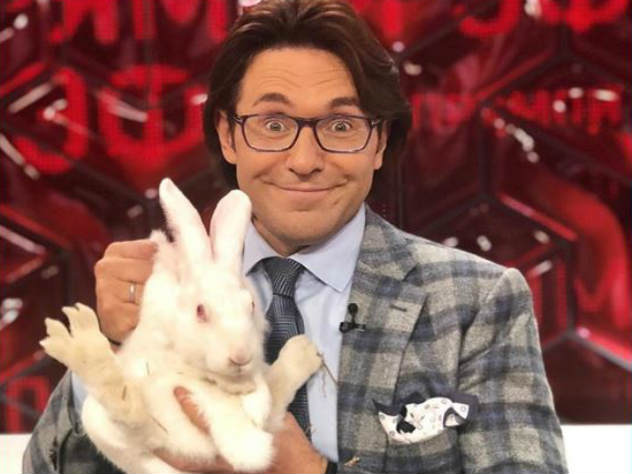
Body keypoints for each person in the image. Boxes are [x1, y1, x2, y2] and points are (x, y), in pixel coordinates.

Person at [23, 0, 568, 473]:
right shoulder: (170, 294)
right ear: (228, 135)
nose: (305, 160)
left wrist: (307, 471)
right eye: (274, 124)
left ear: (379, 143)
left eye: (341, 126)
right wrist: (116, 350)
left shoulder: (475, 303)